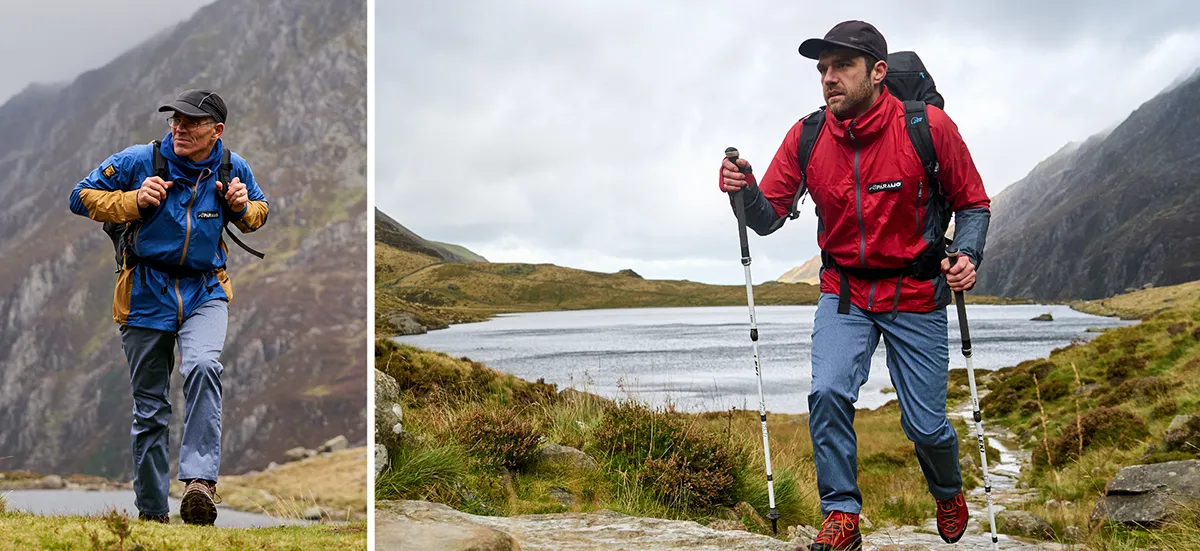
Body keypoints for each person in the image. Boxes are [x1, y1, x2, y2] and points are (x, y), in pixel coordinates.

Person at [719, 21, 990, 550]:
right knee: (826, 393)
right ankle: (842, 514)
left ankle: (947, 490)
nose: (828, 78)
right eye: (823, 69)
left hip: (916, 295)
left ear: (878, 72)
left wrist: (967, 254)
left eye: (842, 66)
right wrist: (744, 188)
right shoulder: (808, 136)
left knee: (925, 426)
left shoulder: (929, 129)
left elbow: (973, 203)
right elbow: (768, 215)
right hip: (844, 292)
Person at [68, 89, 269, 525]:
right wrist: (132, 200)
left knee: (203, 365)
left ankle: (200, 484)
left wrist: (242, 207)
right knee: (151, 410)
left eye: (191, 122)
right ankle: (153, 514)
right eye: (175, 120)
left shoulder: (233, 166)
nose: (179, 127)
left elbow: (260, 211)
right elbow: (79, 195)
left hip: (205, 291)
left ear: (216, 131)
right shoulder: (140, 160)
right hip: (143, 292)